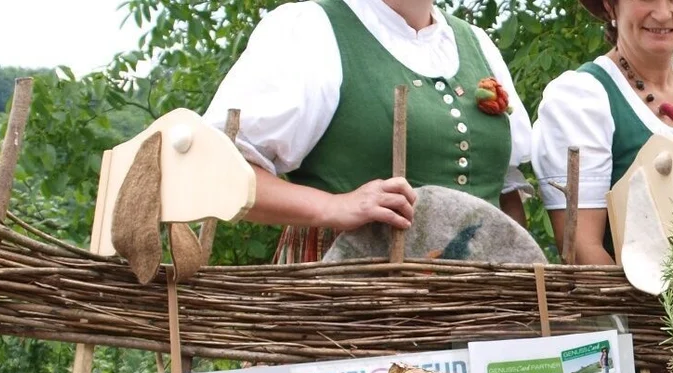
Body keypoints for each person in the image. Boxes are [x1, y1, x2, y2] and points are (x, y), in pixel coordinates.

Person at [205, 0, 534, 259]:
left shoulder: (477, 44)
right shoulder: (310, 30)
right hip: (358, 303)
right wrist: (332, 207)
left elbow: (506, 196)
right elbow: (217, 173)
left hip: (483, 308)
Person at [532, 0, 673, 265]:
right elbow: (584, 251)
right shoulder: (580, 99)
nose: (662, 14)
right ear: (611, 5)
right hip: (619, 303)